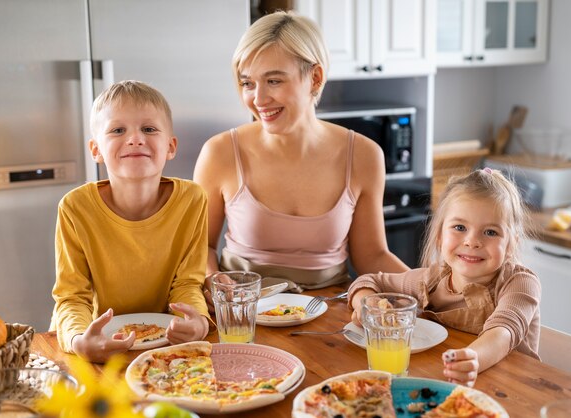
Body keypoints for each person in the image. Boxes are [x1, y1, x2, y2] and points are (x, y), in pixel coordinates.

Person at [193, 11, 409, 302]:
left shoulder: (363, 155)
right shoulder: (219, 153)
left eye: (274, 81)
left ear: (315, 77)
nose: (258, 99)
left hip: (331, 314)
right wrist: (213, 280)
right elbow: (200, 246)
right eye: (247, 83)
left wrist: (430, 288)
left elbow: (372, 256)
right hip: (244, 310)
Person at [50, 80, 209, 362]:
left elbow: (188, 283)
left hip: (163, 347)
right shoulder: (75, 208)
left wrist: (199, 322)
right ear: (96, 149)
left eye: (148, 129)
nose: (135, 139)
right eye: (117, 130)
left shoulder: (192, 200)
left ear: (170, 146)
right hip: (96, 348)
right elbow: (72, 297)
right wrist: (78, 340)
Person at [348, 168, 541, 387]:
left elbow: (502, 332)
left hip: (515, 391)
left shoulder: (519, 283)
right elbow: (369, 281)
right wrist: (367, 307)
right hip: (448, 383)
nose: (472, 241)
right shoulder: (431, 279)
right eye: (460, 227)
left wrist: (472, 359)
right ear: (440, 236)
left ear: (511, 244)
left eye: (490, 232)